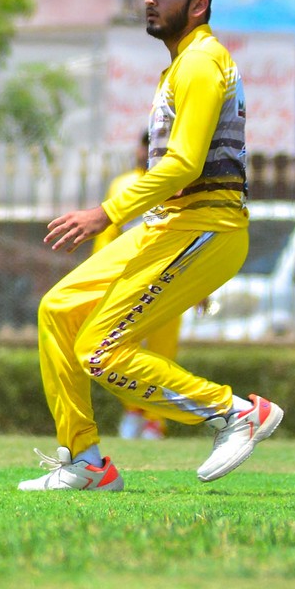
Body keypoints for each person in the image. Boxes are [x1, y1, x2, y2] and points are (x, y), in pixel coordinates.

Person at [19, 0, 282, 491]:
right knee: (58, 310)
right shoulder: (182, 64)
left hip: (205, 226)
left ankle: (234, 413)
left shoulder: (202, 62)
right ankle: (85, 463)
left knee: (99, 350)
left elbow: (184, 164)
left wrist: (105, 213)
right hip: (173, 228)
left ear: (198, 6)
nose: (150, 0)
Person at [91, 132, 170, 441]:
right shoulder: (123, 185)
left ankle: (156, 421)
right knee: (119, 349)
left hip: (168, 281)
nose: (147, 151)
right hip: (128, 283)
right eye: (145, 144)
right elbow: (106, 237)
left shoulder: (176, 188)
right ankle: (133, 409)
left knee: (163, 354)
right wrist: (99, 279)